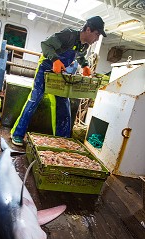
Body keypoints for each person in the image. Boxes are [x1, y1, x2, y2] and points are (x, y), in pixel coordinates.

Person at [11, 16, 106, 146]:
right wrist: (55, 60)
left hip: (59, 74)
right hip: (45, 69)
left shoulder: (84, 45)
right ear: (88, 30)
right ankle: (17, 134)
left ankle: (63, 140)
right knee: (34, 100)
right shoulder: (69, 35)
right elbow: (45, 45)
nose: (96, 39)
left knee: (63, 104)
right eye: (97, 34)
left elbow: (80, 55)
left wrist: (84, 65)